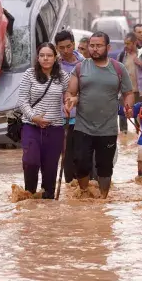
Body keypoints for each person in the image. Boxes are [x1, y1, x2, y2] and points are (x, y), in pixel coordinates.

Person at [64, 32, 134, 199]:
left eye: (99, 46)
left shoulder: (118, 68)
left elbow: (128, 92)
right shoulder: (80, 67)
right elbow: (70, 91)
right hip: (83, 126)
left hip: (108, 128)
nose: (95, 49)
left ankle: (103, 199)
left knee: (105, 167)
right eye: (92, 46)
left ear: (108, 48)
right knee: (81, 163)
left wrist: (128, 106)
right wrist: (69, 101)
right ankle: (84, 193)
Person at [17, 42, 70, 199]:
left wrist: (68, 103)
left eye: (49, 56)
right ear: (37, 57)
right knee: (30, 162)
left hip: (55, 129)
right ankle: (30, 196)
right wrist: (34, 117)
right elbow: (22, 100)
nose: (45, 59)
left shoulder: (63, 77)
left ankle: (47, 206)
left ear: (55, 58)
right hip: (31, 126)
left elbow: (69, 94)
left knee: (50, 169)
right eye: (42, 55)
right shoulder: (29, 74)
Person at [55, 30, 84, 184]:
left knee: (82, 157)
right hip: (61, 119)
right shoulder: (54, 66)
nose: (65, 51)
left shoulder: (85, 64)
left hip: (82, 118)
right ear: (57, 48)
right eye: (61, 48)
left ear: (73, 44)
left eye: (68, 46)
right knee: (66, 157)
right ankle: (70, 188)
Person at [119, 32, 142, 105]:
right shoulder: (121, 56)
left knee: (139, 115)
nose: (125, 46)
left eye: (128, 43)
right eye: (124, 43)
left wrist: (141, 64)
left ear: (135, 43)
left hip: (139, 93)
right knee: (123, 115)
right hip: (125, 93)